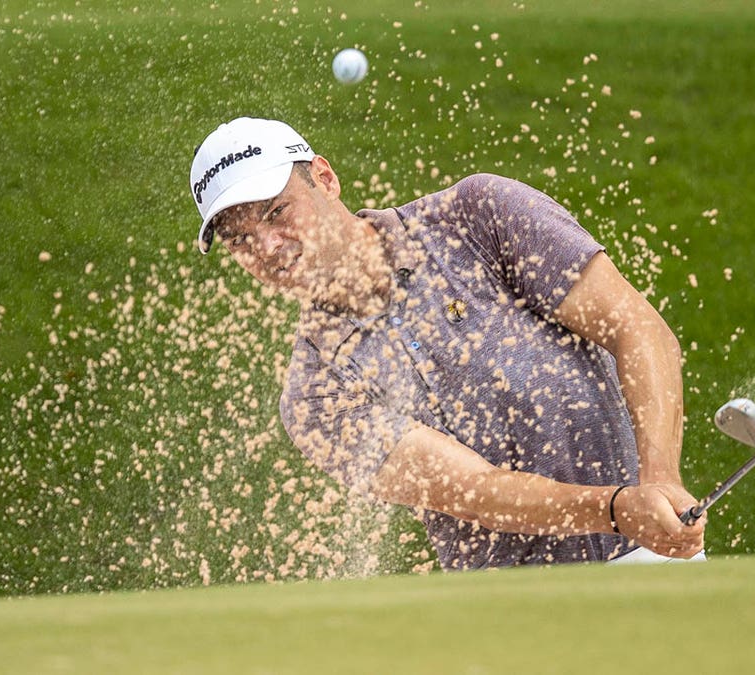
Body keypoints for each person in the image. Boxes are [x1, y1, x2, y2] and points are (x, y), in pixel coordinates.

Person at [189, 117, 706, 568]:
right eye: (241, 240)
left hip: (650, 556)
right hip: (504, 611)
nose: (269, 248)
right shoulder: (313, 395)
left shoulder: (477, 216)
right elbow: (475, 492)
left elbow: (637, 330)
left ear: (325, 179)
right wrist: (618, 510)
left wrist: (658, 482)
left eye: (277, 213)